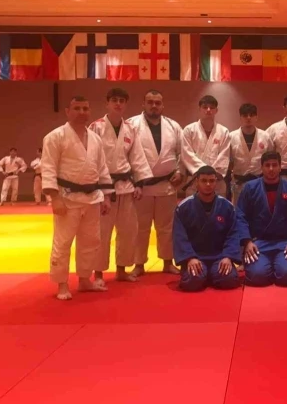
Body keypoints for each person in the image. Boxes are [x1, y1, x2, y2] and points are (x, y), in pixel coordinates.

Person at [41, 96, 112, 300]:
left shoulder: (95, 139)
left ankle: (84, 280)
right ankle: (62, 284)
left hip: (92, 198)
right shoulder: (55, 137)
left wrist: (107, 196)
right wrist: (54, 198)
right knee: (63, 242)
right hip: (67, 198)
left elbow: (102, 169)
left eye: (85, 108)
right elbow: (48, 167)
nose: (82, 112)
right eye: (77, 108)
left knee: (91, 241)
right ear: (67, 111)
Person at [89, 88, 154, 284]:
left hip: (126, 187)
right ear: (107, 103)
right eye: (114, 100)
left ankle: (121, 270)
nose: (118, 104)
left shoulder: (130, 129)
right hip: (104, 188)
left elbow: (137, 157)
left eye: (122, 101)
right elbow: (91, 159)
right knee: (102, 232)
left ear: (126, 104)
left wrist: (140, 183)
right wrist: (97, 188)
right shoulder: (96, 127)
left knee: (128, 231)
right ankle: (98, 273)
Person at [128, 90, 185, 276]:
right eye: (150, 102)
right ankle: (139, 264)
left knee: (167, 227)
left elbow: (181, 153)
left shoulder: (173, 126)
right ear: (143, 104)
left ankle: (168, 262)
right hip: (141, 186)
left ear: (163, 105)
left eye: (157, 103)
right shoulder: (131, 125)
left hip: (166, 185)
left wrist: (180, 172)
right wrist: (132, 181)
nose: (154, 106)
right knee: (140, 228)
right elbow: (125, 154)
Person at [236, 151, 287, 287]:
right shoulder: (250, 188)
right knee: (257, 276)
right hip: (257, 243)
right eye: (267, 165)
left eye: (274, 165)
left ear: (280, 167)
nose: (271, 169)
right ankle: (267, 266)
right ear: (261, 167)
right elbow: (240, 216)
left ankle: (278, 265)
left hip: (284, 243)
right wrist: (247, 242)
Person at [173, 166, 242, 292]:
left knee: (229, 279)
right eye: (204, 181)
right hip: (195, 257)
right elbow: (180, 236)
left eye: (211, 181)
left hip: (219, 257)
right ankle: (206, 275)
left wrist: (228, 256)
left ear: (216, 182)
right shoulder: (183, 207)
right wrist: (190, 258)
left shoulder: (227, 206)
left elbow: (233, 234)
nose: (208, 184)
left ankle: (209, 275)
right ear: (196, 182)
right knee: (192, 281)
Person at [182, 95, 231, 196]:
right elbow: (187, 154)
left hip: (217, 181)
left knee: (218, 206)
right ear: (199, 109)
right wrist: (203, 172)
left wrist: (212, 174)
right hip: (195, 180)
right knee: (193, 206)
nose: (208, 110)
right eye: (205, 107)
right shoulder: (189, 130)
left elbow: (224, 155)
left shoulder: (224, 131)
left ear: (216, 110)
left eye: (212, 107)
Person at [229, 103, 272, 205]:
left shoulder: (265, 136)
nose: (248, 118)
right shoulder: (231, 137)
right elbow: (227, 162)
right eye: (245, 115)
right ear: (240, 118)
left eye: (251, 115)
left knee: (259, 210)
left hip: (260, 182)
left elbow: (270, 160)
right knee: (239, 211)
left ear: (256, 117)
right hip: (239, 183)